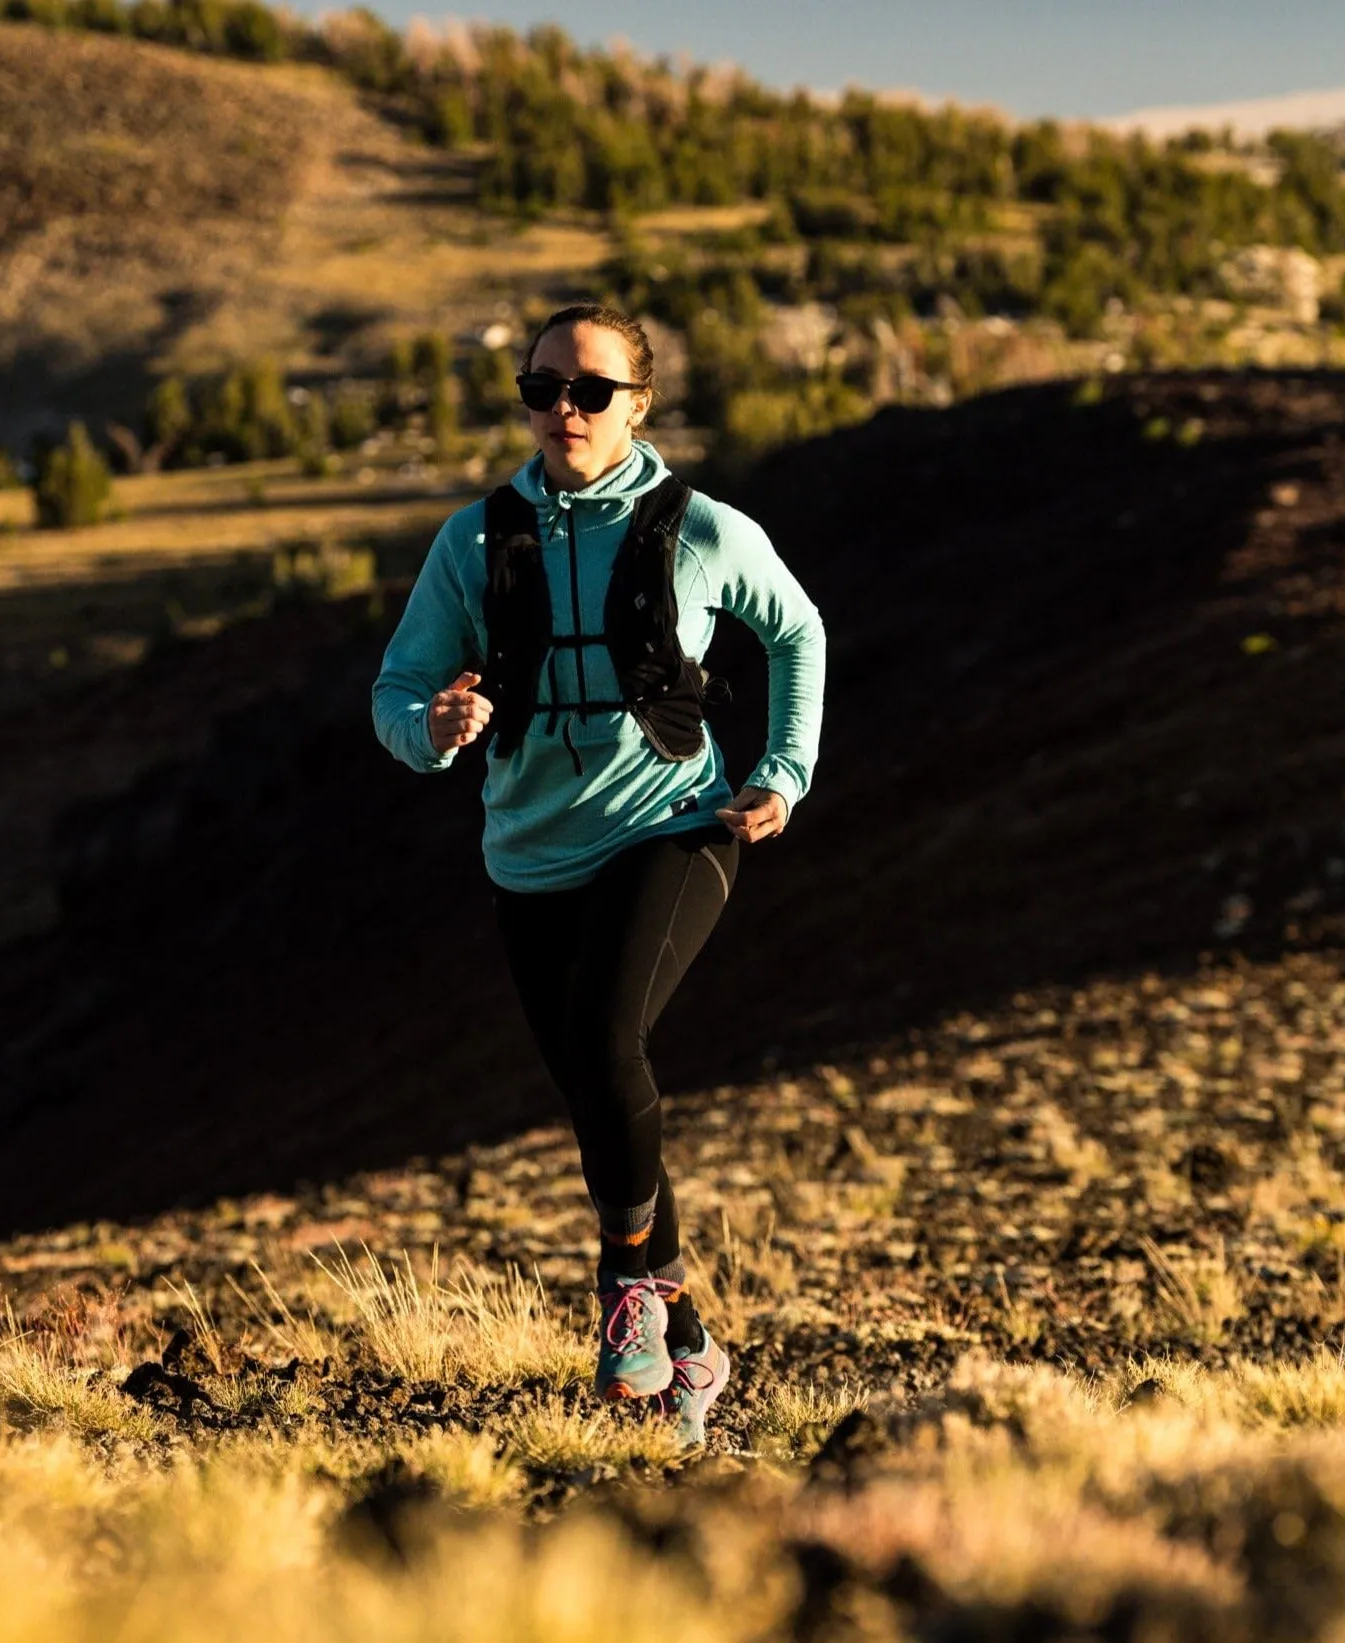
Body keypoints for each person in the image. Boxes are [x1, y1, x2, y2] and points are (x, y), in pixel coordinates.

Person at [372, 303, 826, 1447]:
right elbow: (393, 696)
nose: (561, 410)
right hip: (528, 852)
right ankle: (691, 1348)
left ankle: (623, 1290)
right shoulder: (472, 543)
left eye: (588, 390)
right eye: (541, 388)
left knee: (605, 1034)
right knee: (591, 1079)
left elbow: (796, 632)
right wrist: (433, 724)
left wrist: (782, 767)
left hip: (676, 820)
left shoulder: (703, 527)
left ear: (637, 404)